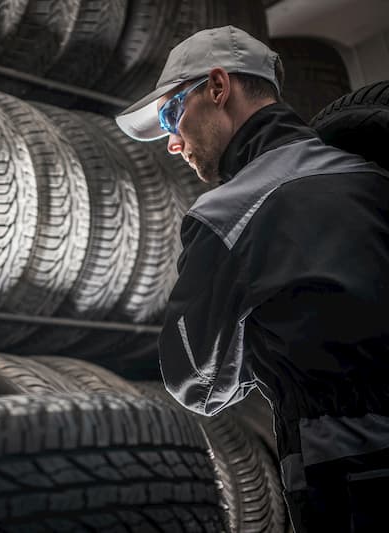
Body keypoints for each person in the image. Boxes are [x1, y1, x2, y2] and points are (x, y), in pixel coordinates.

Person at [114, 25, 389, 532]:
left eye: (173, 113)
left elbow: (196, 381)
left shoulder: (226, 214)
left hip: (345, 474)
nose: (173, 143)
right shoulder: (373, 173)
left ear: (219, 88)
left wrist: (260, 344)